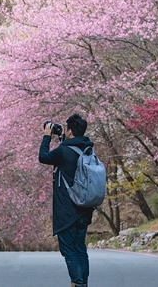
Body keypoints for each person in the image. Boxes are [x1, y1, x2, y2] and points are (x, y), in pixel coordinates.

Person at [38, 113, 95, 287]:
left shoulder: (64, 151)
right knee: (80, 249)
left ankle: (77, 283)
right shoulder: (88, 150)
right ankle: (83, 282)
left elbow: (43, 157)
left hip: (67, 211)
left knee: (69, 251)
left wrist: (47, 136)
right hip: (84, 209)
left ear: (70, 131)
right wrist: (63, 138)